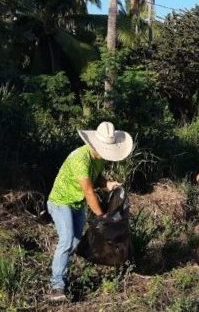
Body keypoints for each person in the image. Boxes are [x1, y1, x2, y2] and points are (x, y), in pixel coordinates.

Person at [46, 122, 133, 302]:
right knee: (67, 240)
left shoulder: (98, 158)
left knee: (77, 242)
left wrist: (107, 183)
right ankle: (56, 286)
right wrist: (102, 217)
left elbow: (96, 177)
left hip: (76, 204)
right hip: (60, 202)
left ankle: (65, 275)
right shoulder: (80, 159)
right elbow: (88, 191)